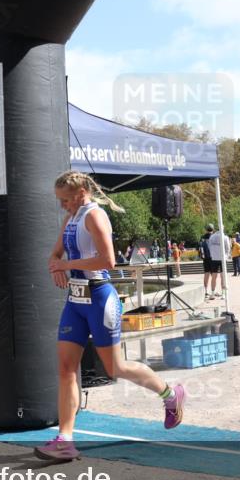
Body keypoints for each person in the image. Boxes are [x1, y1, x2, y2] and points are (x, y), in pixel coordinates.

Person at [38, 171, 186, 462]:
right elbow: (54, 254)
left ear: (81, 193)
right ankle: (65, 440)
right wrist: (56, 266)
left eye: (65, 200)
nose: (62, 206)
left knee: (114, 368)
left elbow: (109, 260)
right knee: (67, 369)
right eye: (59, 201)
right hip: (75, 301)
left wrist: (67, 264)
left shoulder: (95, 216)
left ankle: (170, 394)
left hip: (99, 297)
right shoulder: (71, 218)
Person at [208, 226, 231, 293]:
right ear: (223, 229)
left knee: (214, 276)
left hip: (214, 258)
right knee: (223, 276)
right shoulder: (225, 237)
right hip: (222, 259)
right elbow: (228, 249)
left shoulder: (212, 237)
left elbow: (209, 247)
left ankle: (212, 292)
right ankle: (223, 293)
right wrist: (226, 256)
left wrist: (213, 254)